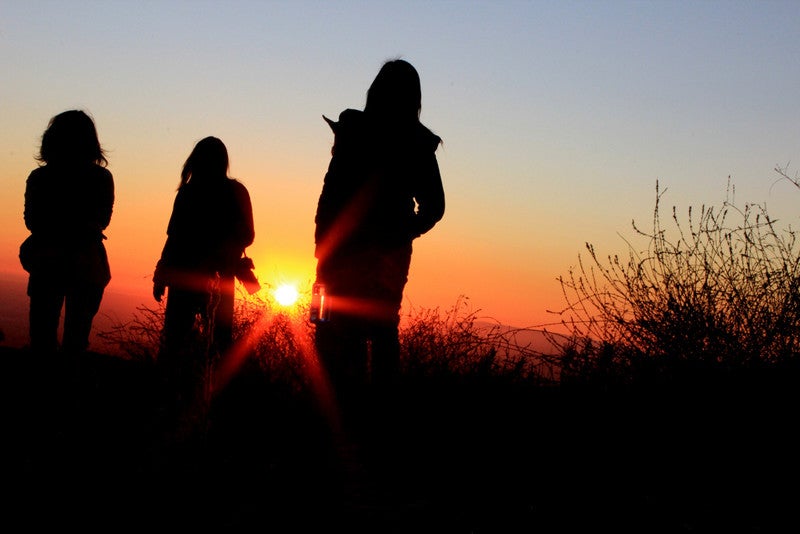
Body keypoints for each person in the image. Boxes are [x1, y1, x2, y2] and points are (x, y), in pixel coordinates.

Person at [313, 59, 445, 401]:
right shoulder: (416, 142)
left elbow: (330, 196)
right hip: (386, 253)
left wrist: (322, 248)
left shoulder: (354, 130)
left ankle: (346, 411)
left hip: (344, 248)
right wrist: (404, 231)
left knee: (341, 329)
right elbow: (435, 207)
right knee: (382, 329)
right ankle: (380, 415)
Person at [152, 136, 255, 416]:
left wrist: (161, 274)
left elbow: (173, 239)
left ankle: (176, 400)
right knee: (215, 342)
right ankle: (211, 403)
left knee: (180, 341)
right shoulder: (232, 192)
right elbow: (248, 235)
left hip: (192, 276)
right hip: (215, 277)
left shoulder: (189, 193)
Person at [21, 109, 114, 356]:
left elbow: (32, 221)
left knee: (42, 339)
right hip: (85, 264)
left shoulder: (40, 177)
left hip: (47, 262)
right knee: (75, 343)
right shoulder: (101, 178)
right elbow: (102, 220)